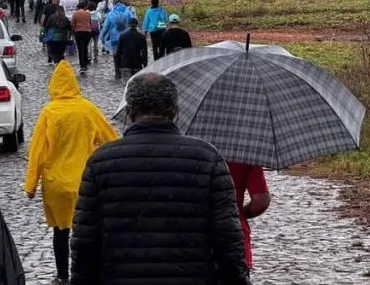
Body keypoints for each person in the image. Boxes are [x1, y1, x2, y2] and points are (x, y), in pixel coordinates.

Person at [71, 73, 252, 285]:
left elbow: (85, 244)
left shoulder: (100, 162)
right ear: (175, 112)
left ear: (130, 113)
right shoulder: (208, 158)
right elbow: (228, 239)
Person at [25, 61, 119, 285]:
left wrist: (30, 185)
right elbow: (110, 138)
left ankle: (62, 276)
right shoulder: (87, 109)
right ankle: (92, 273)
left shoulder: (49, 112)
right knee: (90, 229)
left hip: (56, 182)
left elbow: (37, 150)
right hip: (85, 181)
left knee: (60, 231)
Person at [227, 162, 271, 271]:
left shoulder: (185, 151)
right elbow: (260, 201)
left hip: (189, 244)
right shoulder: (246, 152)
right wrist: (238, 214)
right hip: (235, 238)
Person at [100, 1, 136, 79]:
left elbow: (105, 27)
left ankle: (117, 73)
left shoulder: (111, 14)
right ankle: (123, 71)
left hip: (114, 38)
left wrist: (102, 38)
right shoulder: (128, 12)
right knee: (124, 55)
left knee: (115, 55)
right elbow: (134, 20)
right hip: (126, 37)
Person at [71, 0, 93, 74]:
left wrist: (72, 32)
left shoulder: (75, 14)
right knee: (85, 47)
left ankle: (82, 66)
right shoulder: (88, 13)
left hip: (78, 32)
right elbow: (90, 23)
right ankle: (86, 63)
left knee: (80, 49)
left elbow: (73, 24)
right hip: (87, 32)